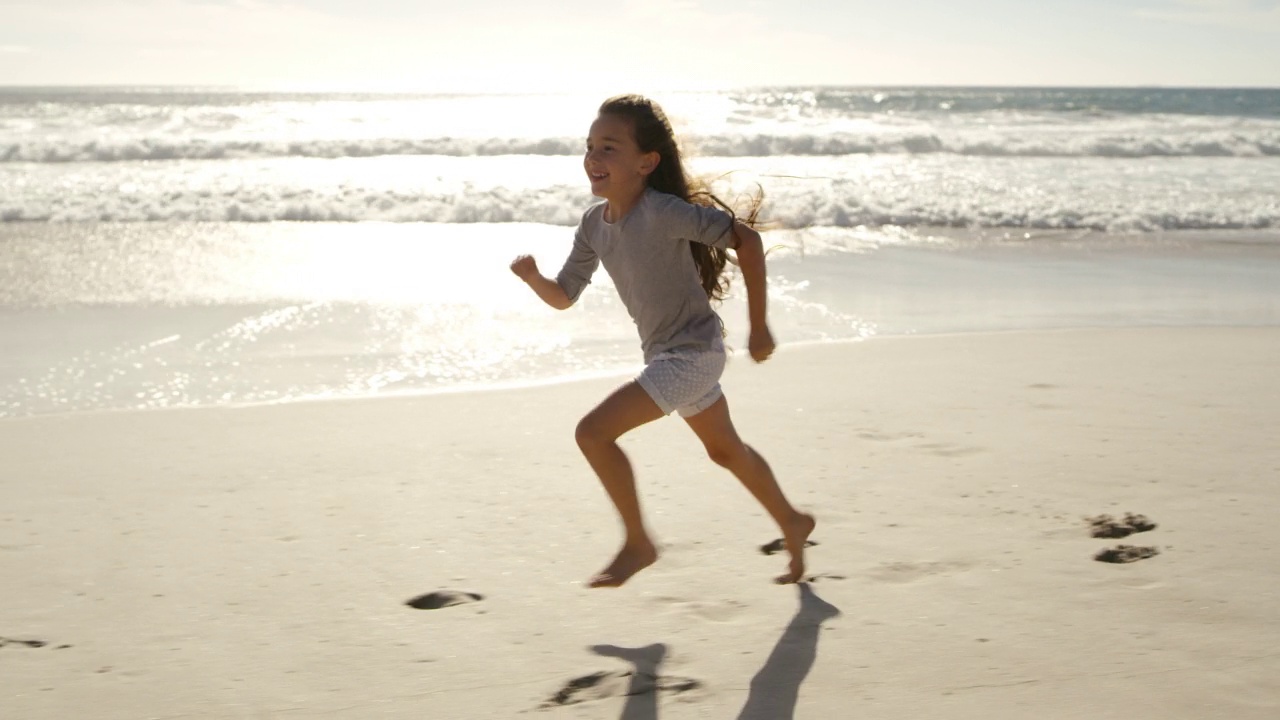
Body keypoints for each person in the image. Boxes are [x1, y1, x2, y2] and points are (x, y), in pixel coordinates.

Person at [509, 94, 814, 588]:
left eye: (609, 147)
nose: (594, 157)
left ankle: (639, 543)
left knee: (593, 433)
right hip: (672, 356)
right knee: (726, 451)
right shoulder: (592, 225)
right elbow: (564, 296)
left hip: (692, 355)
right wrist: (532, 278)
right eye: (590, 146)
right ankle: (793, 523)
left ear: (646, 162)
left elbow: (748, 242)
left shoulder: (664, 212)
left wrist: (759, 326)